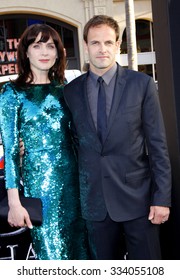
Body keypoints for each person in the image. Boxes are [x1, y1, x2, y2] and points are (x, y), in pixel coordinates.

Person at [63, 15, 172, 260]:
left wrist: (161, 199)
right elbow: (71, 144)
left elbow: (157, 146)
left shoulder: (141, 85)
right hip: (94, 207)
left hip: (139, 203)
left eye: (108, 42)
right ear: (85, 46)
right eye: (95, 43)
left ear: (118, 45)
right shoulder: (70, 92)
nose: (102, 49)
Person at [0, 24, 89, 260]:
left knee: (81, 253)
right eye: (37, 45)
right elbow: (9, 151)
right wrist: (14, 202)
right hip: (39, 191)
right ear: (26, 52)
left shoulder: (66, 90)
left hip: (76, 188)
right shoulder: (12, 92)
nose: (45, 52)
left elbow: (80, 139)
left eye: (50, 46)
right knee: (52, 256)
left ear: (58, 53)